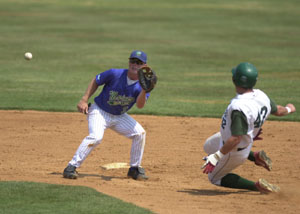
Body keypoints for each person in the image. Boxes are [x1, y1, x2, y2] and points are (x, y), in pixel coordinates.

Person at [202, 62, 296, 193]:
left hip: (234, 149)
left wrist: (216, 157)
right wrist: (289, 109)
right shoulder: (260, 95)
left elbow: (235, 138)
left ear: (234, 80)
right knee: (208, 146)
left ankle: (257, 186)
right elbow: (279, 111)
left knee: (214, 178)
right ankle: (255, 156)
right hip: (239, 141)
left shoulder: (239, 106)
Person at [63, 50, 153, 180]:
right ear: (129, 62)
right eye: (133, 61)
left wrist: (145, 91)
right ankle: (71, 167)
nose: (135, 64)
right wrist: (84, 99)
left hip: (119, 116)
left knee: (140, 133)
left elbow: (140, 105)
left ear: (144, 66)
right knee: (96, 137)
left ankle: (134, 169)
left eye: (139, 63)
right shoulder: (115, 73)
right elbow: (96, 80)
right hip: (99, 111)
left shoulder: (143, 85)